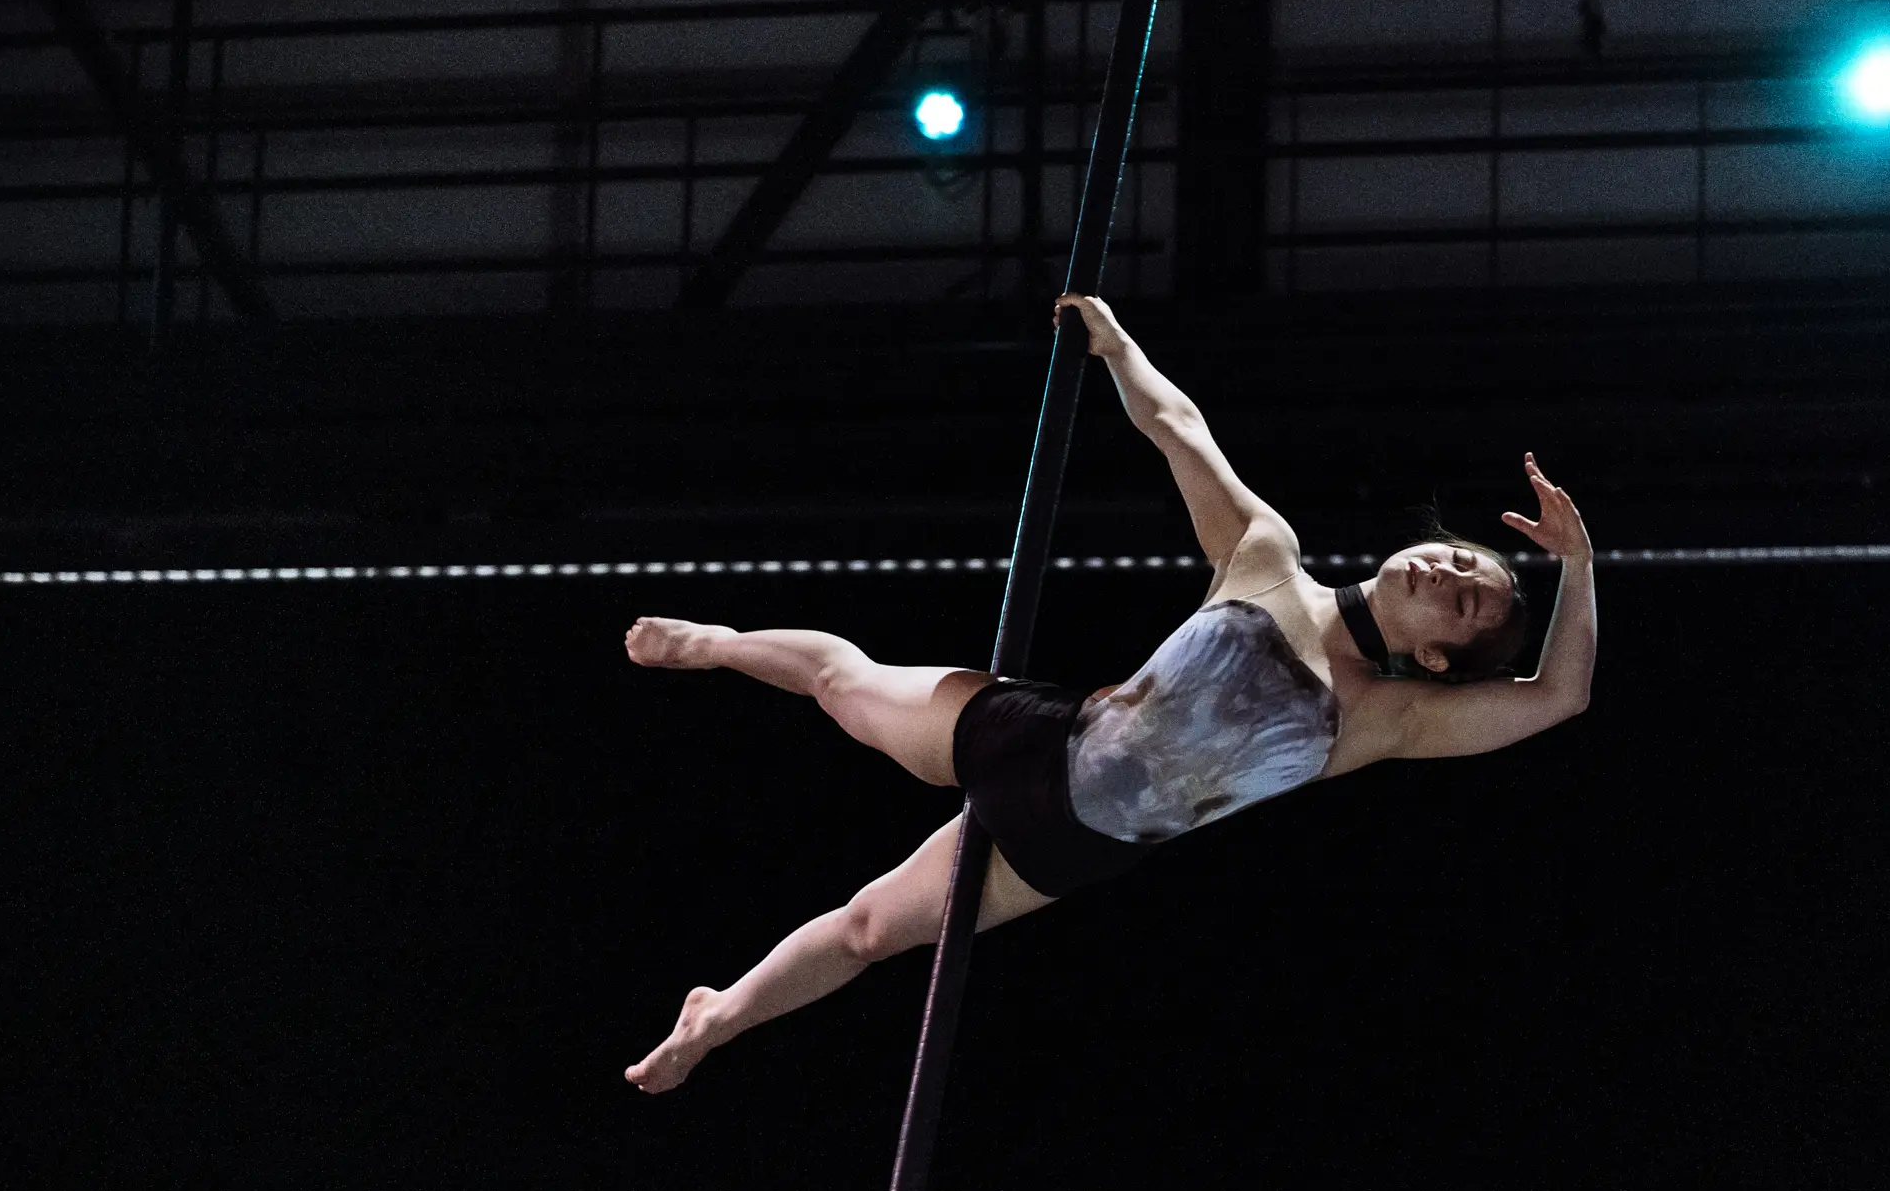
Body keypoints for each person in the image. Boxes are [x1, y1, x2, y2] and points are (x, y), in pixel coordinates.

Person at [620, 294, 1595, 1093]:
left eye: (1466, 601)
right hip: (1036, 736)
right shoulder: (1266, 556)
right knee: (844, 682)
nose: (1444, 572)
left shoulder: (1391, 718)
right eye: (1457, 555)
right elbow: (1180, 430)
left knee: (870, 927)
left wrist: (1579, 565)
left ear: (1437, 659)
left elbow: (1559, 695)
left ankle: (717, 1014)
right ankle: (718, 641)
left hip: (1071, 843)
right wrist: (1116, 344)